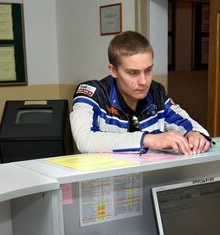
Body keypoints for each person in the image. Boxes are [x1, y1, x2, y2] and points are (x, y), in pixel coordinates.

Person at [70, 31, 211, 155]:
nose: (144, 81)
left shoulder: (157, 92)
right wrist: (148, 139)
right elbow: (86, 140)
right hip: (105, 180)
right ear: (113, 70)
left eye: (148, 70)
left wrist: (195, 134)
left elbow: (185, 122)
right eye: (133, 73)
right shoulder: (92, 93)